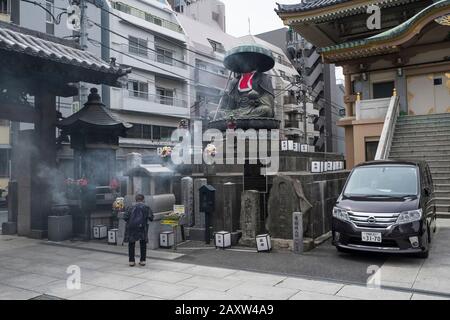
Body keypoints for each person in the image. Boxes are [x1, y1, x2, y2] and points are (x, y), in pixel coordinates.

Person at [124, 194, 153, 266]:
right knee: (143, 244)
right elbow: (151, 218)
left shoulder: (130, 207)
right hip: (142, 227)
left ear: (136, 199)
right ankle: (142, 261)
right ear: (143, 199)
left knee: (131, 244)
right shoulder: (146, 207)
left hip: (132, 228)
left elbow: (125, 217)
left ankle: (131, 261)